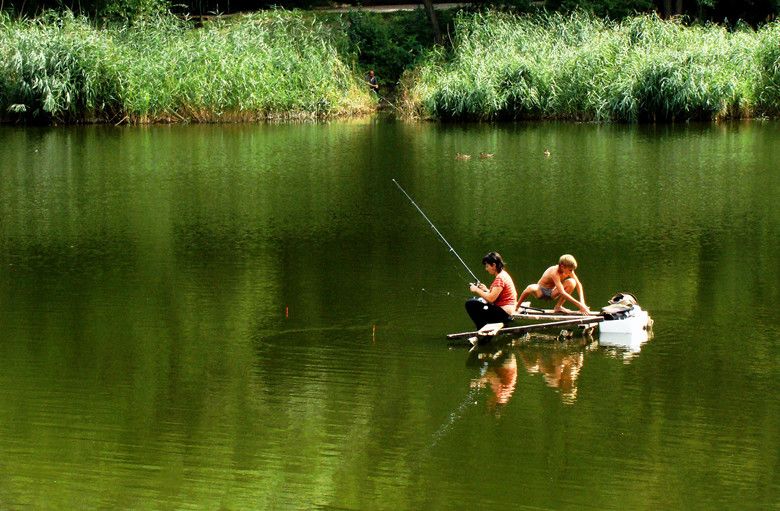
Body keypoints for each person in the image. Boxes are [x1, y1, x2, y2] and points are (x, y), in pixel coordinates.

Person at [516, 254, 590, 315]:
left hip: (552, 292)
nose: (571, 272)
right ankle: (516, 307)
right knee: (530, 287)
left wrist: (582, 302)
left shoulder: (569, 270)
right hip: (541, 291)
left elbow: (578, 284)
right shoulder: (554, 272)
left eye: (572, 270)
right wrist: (579, 305)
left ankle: (558, 307)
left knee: (572, 282)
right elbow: (562, 292)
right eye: (570, 270)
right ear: (562, 266)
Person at [465, 252, 517, 329]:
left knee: (470, 304)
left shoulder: (500, 279)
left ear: (494, 265)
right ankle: (486, 325)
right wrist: (486, 290)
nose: (486, 269)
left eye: (487, 266)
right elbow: (498, 294)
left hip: (505, 314)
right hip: (507, 310)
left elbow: (491, 299)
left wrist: (476, 290)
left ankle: (482, 328)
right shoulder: (504, 274)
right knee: (476, 301)